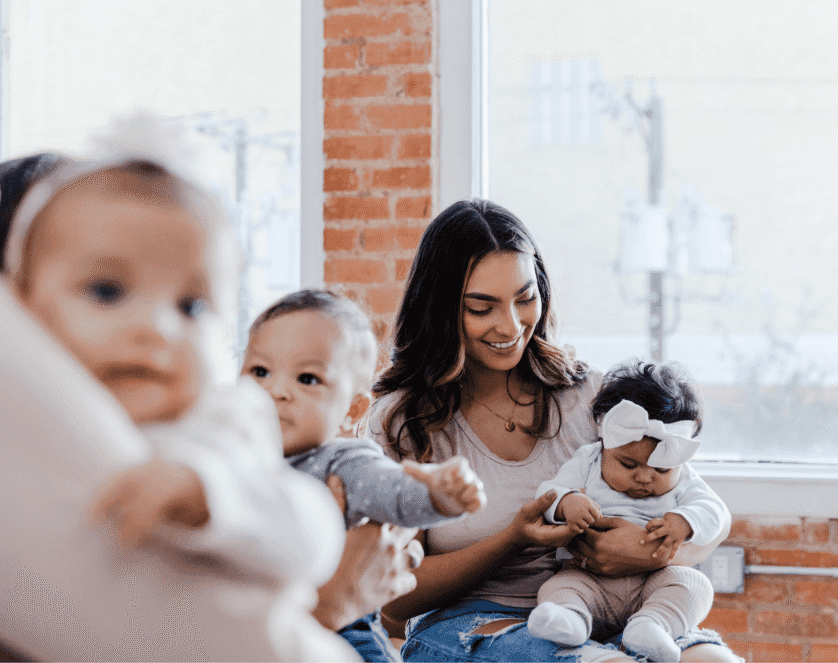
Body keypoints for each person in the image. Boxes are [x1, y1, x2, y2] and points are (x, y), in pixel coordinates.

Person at [0, 123, 359, 660]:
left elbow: (311, 531)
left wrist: (206, 492)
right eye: (106, 290)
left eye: (192, 306)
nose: (158, 328)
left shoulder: (224, 417)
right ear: (24, 312)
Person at [368, 199, 739, 663]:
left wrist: (649, 552)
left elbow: (694, 504)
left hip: (616, 605)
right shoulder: (405, 422)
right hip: (476, 622)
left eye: (525, 298)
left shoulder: (597, 398)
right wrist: (512, 540)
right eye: (482, 307)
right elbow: (394, 605)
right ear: (440, 309)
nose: (511, 325)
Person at [242, 287, 488, 661]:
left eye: (307, 378)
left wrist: (439, 494)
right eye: (260, 371)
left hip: (345, 629)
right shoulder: (224, 453)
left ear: (353, 411)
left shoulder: (341, 462)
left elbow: (392, 492)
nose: (276, 390)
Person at [530, 361, 726, 662]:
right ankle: (569, 621)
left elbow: (714, 510)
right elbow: (549, 492)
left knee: (696, 586)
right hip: (588, 580)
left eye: (661, 468)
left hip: (653, 585)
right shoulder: (588, 460)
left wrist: (686, 521)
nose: (645, 477)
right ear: (605, 441)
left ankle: (652, 627)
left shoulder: (685, 477)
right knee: (558, 586)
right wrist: (568, 502)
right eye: (629, 465)